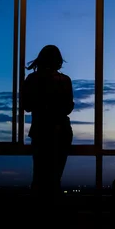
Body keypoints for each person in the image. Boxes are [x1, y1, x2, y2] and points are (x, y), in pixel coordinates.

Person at [21, 45, 74, 204]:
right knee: (55, 176)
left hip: (41, 130)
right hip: (61, 131)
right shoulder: (64, 80)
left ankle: (41, 214)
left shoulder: (32, 79)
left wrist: (42, 105)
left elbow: (27, 106)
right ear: (58, 61)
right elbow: (68, 107)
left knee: (40, 176)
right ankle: (54, 215)